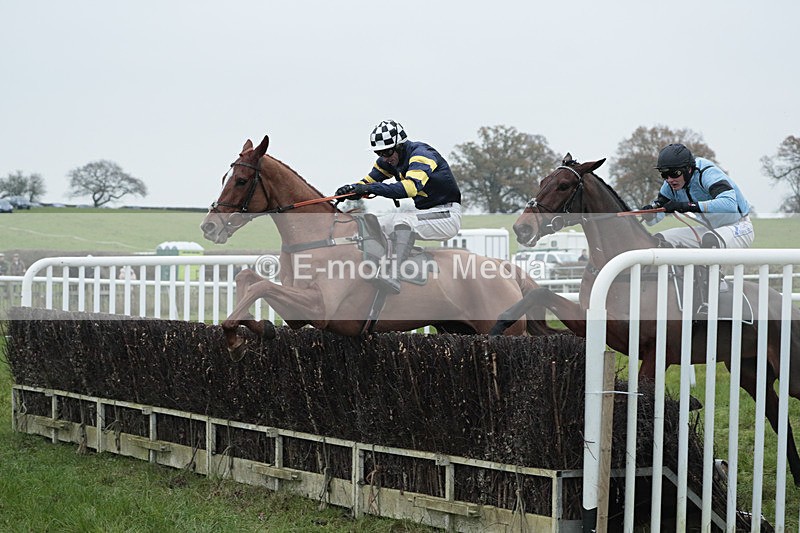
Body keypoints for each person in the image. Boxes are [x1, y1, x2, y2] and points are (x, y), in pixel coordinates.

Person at [336, 120, 462, 293]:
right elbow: (369, 181)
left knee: (403, 219)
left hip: (447, 215)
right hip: (424, 214)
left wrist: (368, 188)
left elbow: (410, 188)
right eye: (379, 152)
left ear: (400, 146)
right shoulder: (388, 161)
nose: (385, 158)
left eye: (387, 151)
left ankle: (394, 275)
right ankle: (375, 267)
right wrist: (350, 189)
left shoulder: (422, 155)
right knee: (374, 223)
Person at [639, 143, 754, 249]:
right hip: (709, 230)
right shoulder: (669, 185)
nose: (669, 180)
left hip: (739, 227)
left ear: (688, 169)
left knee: (710, 240)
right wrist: (650, 215)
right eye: (664, 174)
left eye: (675, 173)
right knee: (658, 240)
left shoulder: (706, 173)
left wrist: (687, 206)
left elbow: (729, 205)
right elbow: (654, 220)